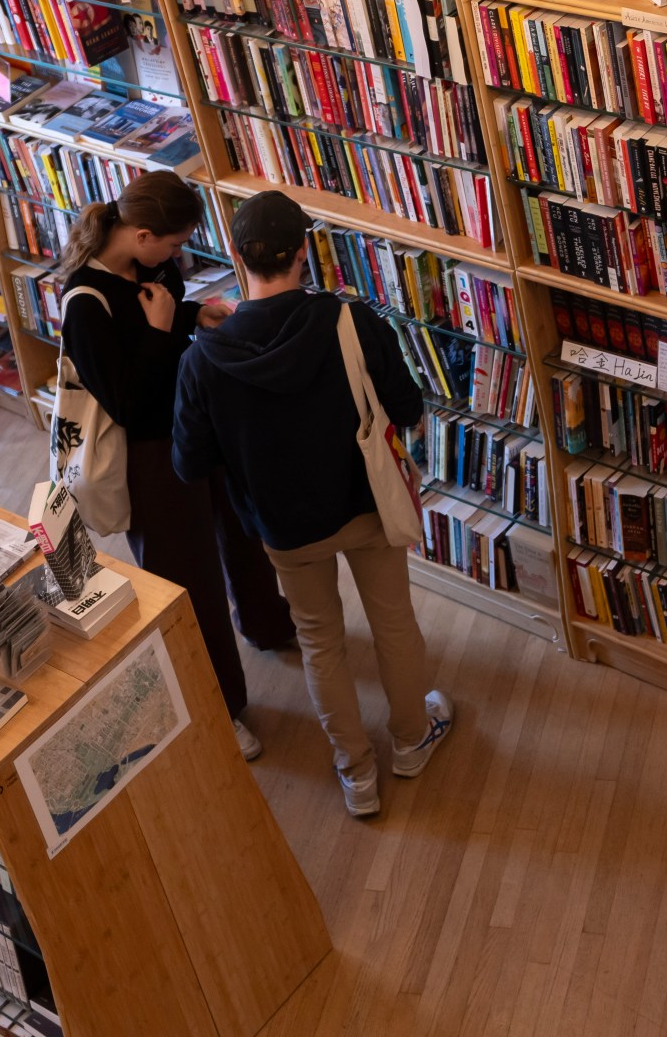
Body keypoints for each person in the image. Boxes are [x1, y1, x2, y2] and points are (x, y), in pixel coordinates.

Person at [172, 190, 453, 818]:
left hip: (285, 528)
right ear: (304, 252)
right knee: (394, 624)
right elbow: (406, 410)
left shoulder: (203, 358)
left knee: (320, 641)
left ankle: (356, 774)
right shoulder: (352, 322)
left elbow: (190, 463)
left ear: (238, 257)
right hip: (366, 505)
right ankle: (411, 741)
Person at [56, 173, 294, 759]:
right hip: (149, 456)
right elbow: (130, 402)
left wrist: (190, 317)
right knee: (189, 581)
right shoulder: (84, 304)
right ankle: (221, 707)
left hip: (198, 421)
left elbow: (156, 325)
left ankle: (269, 624)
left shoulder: (156, 268)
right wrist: (166, 329)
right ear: (140, 235)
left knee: (242, 534)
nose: (177, 256)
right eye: (172, 244)